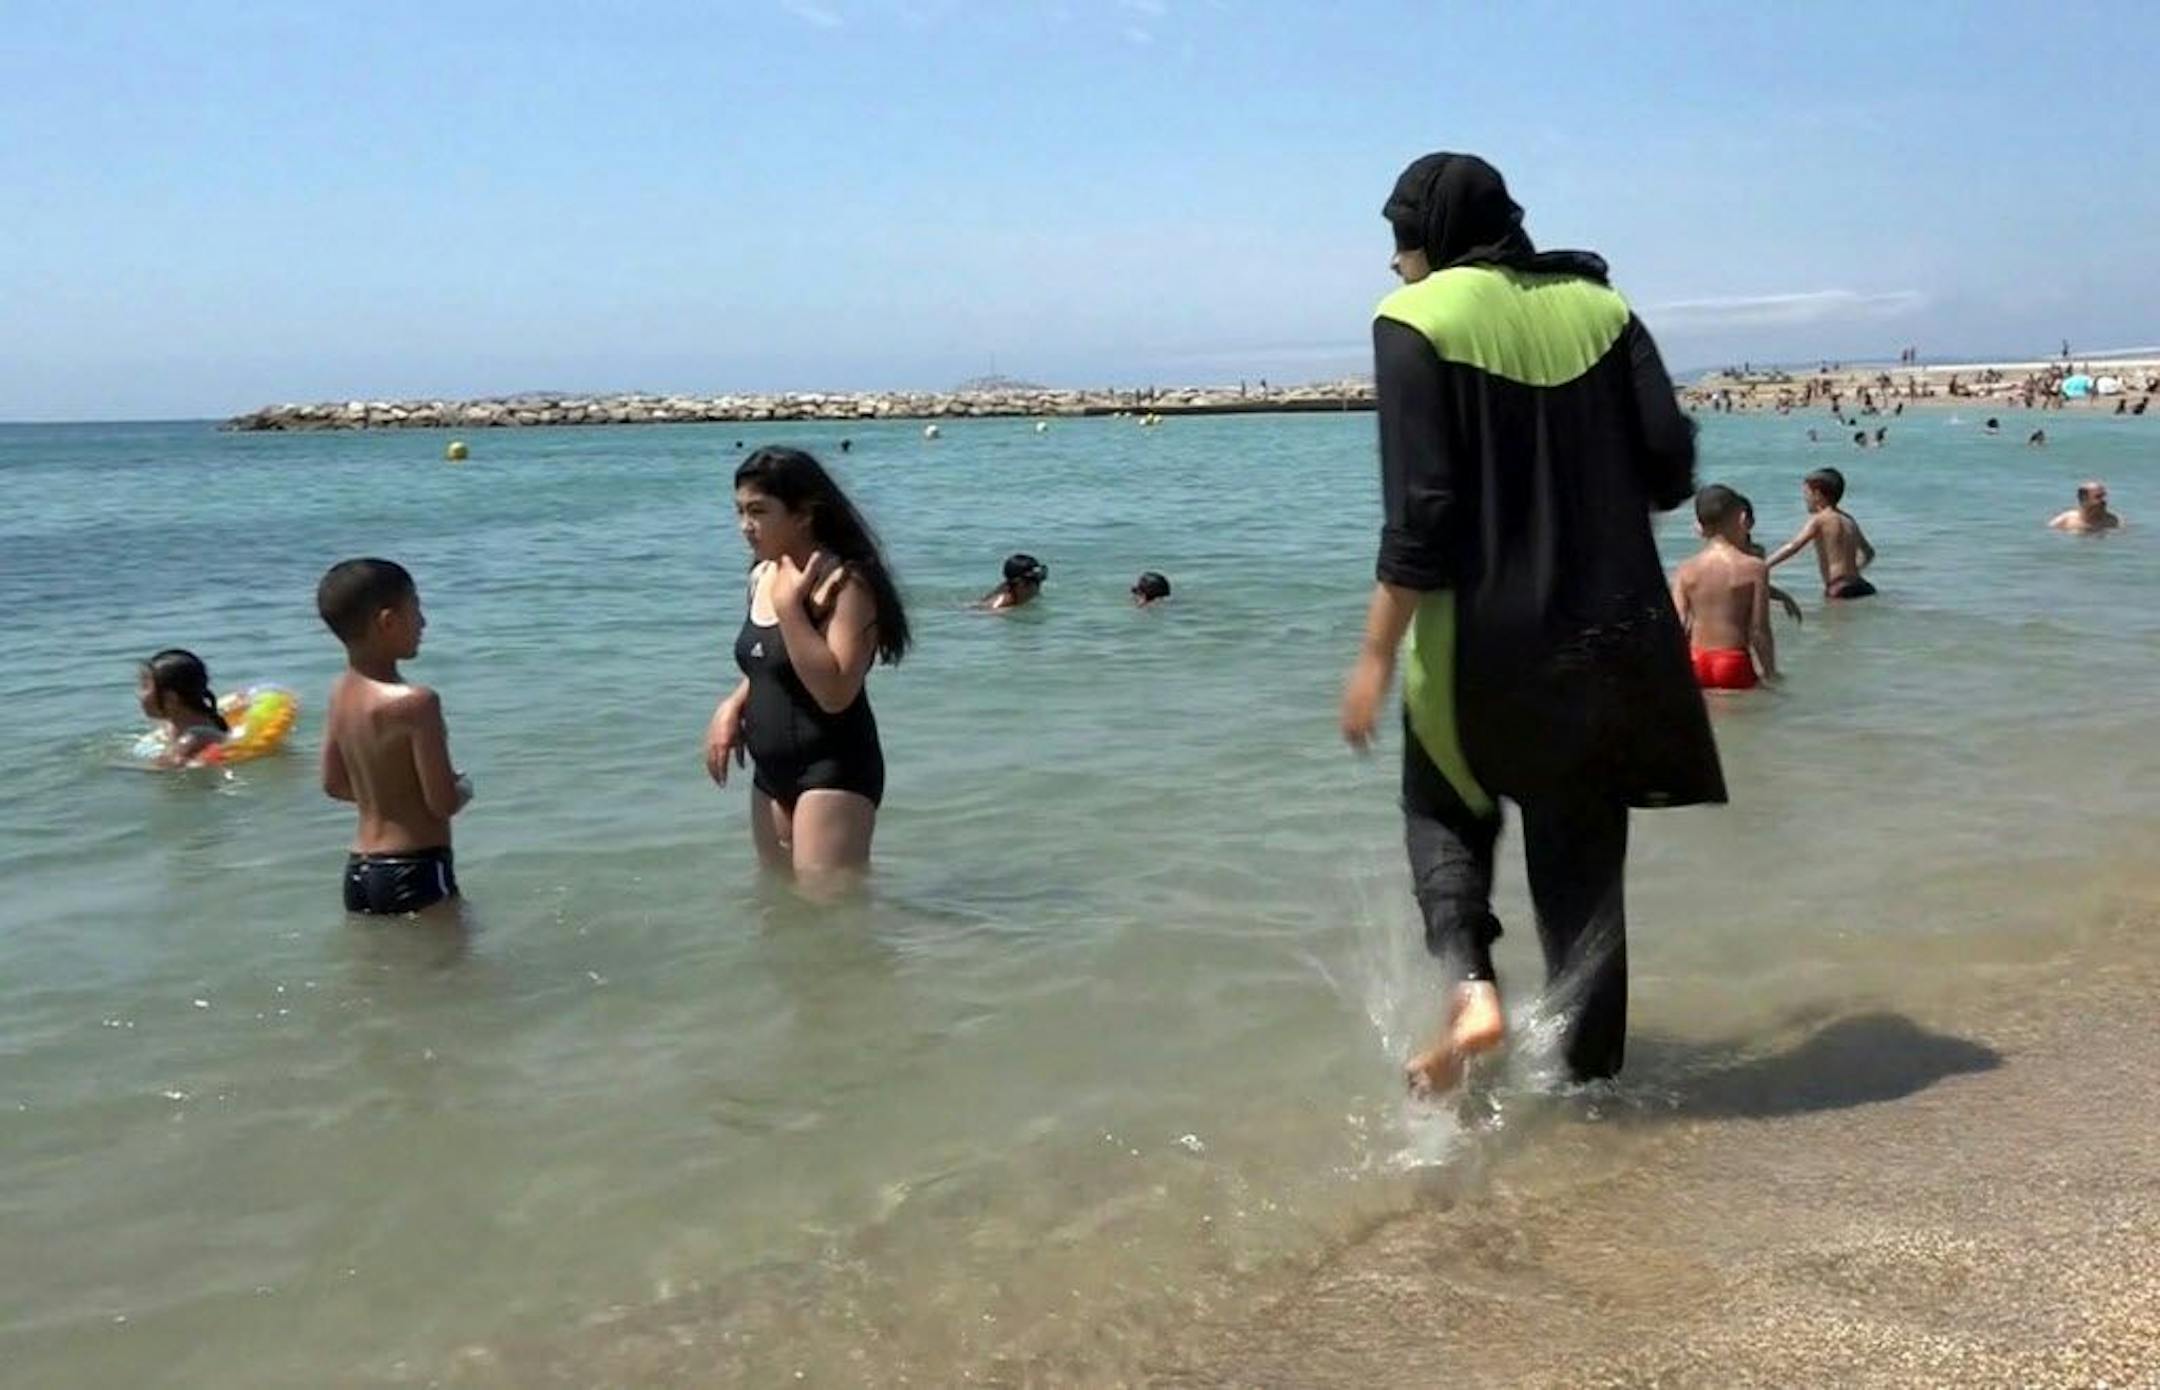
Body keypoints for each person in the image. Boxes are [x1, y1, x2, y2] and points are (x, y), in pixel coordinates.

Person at [1340, 151, 1725, 1096]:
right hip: (1611, 642)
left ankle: (1473, 987)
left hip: (1475, 645)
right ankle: (1594, 1101)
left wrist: (1373, 656)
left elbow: (1422, 513)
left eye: (1400, 245)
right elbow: (1672, 465)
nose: (1396, 266)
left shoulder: (1413, 319)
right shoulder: (1604, 307)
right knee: (1585, 885)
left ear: (1425, 239)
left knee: (1442, 808)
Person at [705, 447, 911, 889]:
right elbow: (770, 664)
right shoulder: (762, 574)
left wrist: (790, 608)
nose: (745, 525)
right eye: (739, 511)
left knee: (832, 915)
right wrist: (732, 705)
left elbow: (835, 690)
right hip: (769, 771)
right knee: (782, 909)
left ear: (802, 514)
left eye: (759, 511)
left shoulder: (846, 584)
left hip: (833, 768)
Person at [317, 559, 472, 917]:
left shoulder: (340, 694)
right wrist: (464, 787)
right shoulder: (417, 703)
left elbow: (334, 783)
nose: (423, 623)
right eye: (416, 610)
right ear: (387, 622)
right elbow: (442, 803)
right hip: (415, 868)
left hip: (359, 872)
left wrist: (389, 797)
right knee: (445, 966)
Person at [1670, 486, 1777, 691]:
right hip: (1733, 662)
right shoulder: (1755, 568)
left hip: (1696, 661)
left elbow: (1679, 624)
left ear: (1699, 527)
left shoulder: (1685, 569)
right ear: (1742, 518)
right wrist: (1770, 672)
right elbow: (1759, 630)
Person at [1766, 467, 1877, 599]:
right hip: (1862, 585)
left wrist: (1764, 565)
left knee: (1835, 619)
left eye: (1806, 494)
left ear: (1817, 495)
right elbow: (1869, 553)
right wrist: (1855, 571)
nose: (1805, 500)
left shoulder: (1820, 519)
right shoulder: (1848, 520)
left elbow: (1794, 545)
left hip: (1838, 586)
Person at [136, 648, 230, 766]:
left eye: (145, 686)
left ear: (171, 699)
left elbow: (161, 769)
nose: (139, 694)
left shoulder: (194, 738)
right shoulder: (173, 724)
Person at [1736, 496, 1805, 626]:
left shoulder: (1756, 551)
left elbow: (1757, 587)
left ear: (1751, 523)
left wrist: (1784, 597)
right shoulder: (1716, 555)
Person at [979, 553, 1048, 610]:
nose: (1039, 585)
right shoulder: (997, 608)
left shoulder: (1018, 590)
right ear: (1021, 584)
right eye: (1037, 580)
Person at [2050, 481, 2122, 533]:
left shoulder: (2113, 521)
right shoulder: (2064, 521)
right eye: (2098, 497)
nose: (2103, 500)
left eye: (2104, 496)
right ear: (2084, 499)